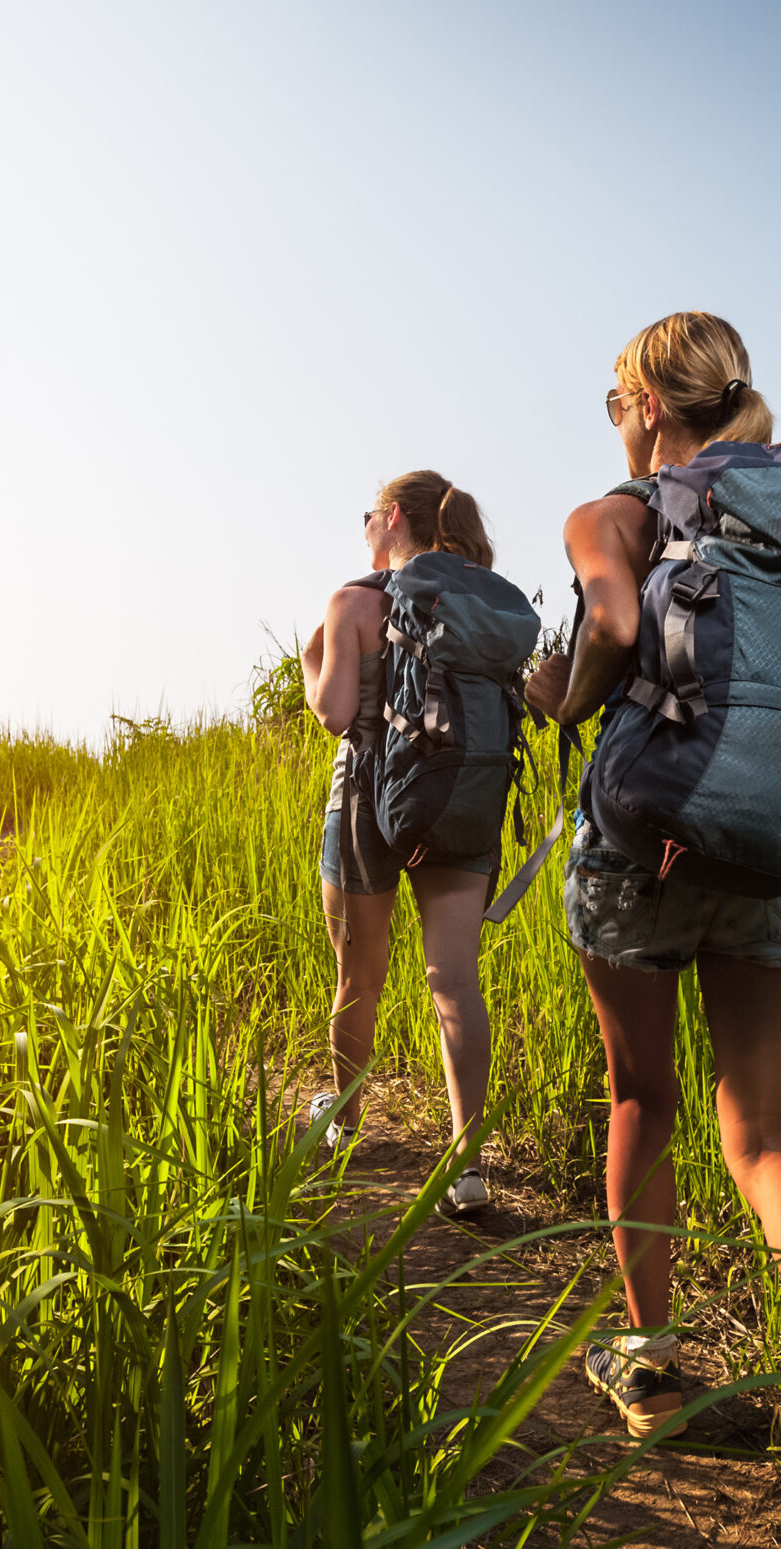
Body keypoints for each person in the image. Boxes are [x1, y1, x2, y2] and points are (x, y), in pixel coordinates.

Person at [522, 312, 781, 1549]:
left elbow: (611, 634)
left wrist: (554, 692)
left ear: (642, 399)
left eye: (612, 392)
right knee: (766, 1134)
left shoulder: (619, 506)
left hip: (641, 849)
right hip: (776, 855)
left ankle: (650, 1362)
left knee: (646, 1097)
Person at [299, 471, 510, 1218]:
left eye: (368, 517)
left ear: (393, 519)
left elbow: (330, 714)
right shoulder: (474, 604)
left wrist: (309, 661)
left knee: (360, 976)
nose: (365, 530)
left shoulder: (355, 601)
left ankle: (346, 1118)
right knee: (453, 979)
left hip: (364, 799)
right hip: (457, 798)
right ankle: (468, 1164)